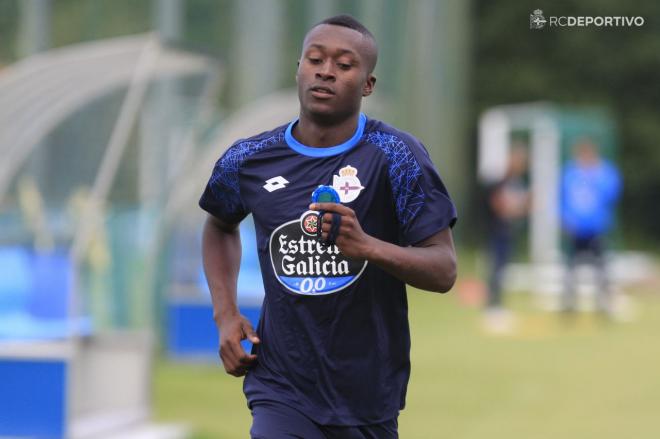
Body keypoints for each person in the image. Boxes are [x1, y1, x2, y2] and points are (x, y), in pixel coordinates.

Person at [199, 14, 457, 439]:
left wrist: (368, 247)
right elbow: (218, 225)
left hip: (367, 393)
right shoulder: (249, 159)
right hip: (280, 386)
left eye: (344, 64)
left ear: (367, 84)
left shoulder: (396, 156)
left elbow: (444, 269)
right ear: (298, 69)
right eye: (315, 59)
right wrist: (225, 314)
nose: (326, 71)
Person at [560, 138, 621, 315]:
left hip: (596, 228)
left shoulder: (605, 172)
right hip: (575, 229)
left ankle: (604, 305)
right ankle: (568, 305)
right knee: (570, 269)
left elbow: (611, 195)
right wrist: (565, 219)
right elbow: (562, 199)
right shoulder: (570, 173)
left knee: (601, 269)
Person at [483, 144, 529, 331]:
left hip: (509, 232)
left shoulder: (518, 183)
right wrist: (519, 207)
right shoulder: (500, 182)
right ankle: (492, 308)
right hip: (497, 231)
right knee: (495, 269)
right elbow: (499, 206)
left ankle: (499, 305)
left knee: (503, 270)